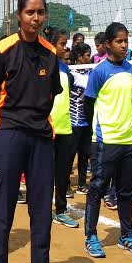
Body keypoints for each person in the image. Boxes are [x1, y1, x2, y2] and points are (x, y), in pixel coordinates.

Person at [0, 0, 64, 263]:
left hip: (41, 138)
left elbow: (52, 93)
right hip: (10, 135)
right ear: (19, 15)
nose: (36, 18)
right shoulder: (3, 50)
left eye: (41, 12)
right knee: (3, 213)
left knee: (41, 214)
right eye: (30, 12)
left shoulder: (50, 53)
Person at [83, 22, 132, 259]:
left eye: (126, 41)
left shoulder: (131, 69)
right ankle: (91, 236)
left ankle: (126, 235)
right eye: (119, 41)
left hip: (128, 140)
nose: (124, 45)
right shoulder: (99, 72)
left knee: (126, 191)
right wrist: (98, 132)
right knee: (98, 187)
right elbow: (89, 104)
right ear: (108, 44)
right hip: (105, 140)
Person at [49, 29, 80, 228]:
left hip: (65, 127)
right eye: (62, 43)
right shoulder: (43, 63)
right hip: (47, 128)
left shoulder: (66, 69)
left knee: (62, 173)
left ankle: (60, 210)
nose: (66, 47)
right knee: (44, 174)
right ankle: (43, 209)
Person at [69, 42, 92, 194]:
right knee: (70, 155)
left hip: (86, 121)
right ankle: (65, 185)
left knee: (84, 155)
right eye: (87, 56)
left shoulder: (90, 72)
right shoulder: (72, 74)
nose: (89, 58)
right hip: (73, 121)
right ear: (79, 57)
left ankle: (82, 183)